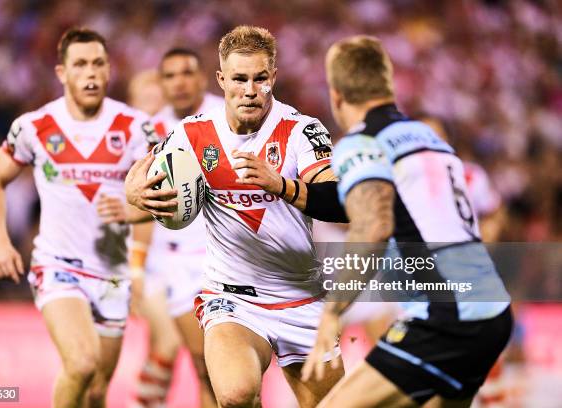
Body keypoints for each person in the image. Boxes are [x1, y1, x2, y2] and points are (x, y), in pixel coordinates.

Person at [124, 25, 349, 407]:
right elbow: (142, 177)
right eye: (239, 79)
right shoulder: (193, 134)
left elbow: (341, 201)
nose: (249, 89)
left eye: (260, 79)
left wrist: (282, 185)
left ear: (273, 77)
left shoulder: (301, 130)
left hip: (301, 297)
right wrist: (134, 192)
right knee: (235, 394)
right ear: (221, 79)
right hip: (233, 298)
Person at [301, 35, 513, 407]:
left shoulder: (362, 143)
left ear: (336, 95)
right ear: (388, 85)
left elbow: (373, 227)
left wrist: (333, 313)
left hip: (445, 317)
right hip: (492, 309)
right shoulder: (429, 138)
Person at [0, 28, 158, 407]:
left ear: (110, 70)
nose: (90, 73)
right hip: (58, 266)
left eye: (98, 63)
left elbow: (168, 199)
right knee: (81, 363)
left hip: (113, 273)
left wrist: (135, 214)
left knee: (96, 390)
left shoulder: (138, 128)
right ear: (62, 73)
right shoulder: (35, 127)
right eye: (80, 65)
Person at [127, 48, 223, 408]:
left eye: (186, 73)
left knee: (227, 370)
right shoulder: (152, 132)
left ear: (203, 77)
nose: (179, 82)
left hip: (228, 256)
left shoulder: (228, 113)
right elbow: (141, 206)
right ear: (162, 82)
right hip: (179, 263)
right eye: (169, 75)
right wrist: (135, 265)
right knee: (204, 366)